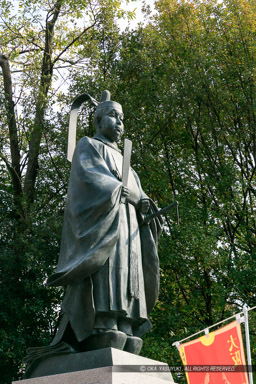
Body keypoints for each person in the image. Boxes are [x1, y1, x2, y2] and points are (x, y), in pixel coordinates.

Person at [46, 90, 163, 355]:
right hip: (107, 224)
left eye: (122, 118)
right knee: (109, 269)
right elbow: (89, 178)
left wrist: (143, 203)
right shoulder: (88, 145)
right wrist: (114, 189)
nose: (119, 123)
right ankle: (103, 321)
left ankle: (127, 322)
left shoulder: (127, 163)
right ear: (98, 121)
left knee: (130, 275)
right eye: (113, 116)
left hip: (130, 225)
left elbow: (138, 192)